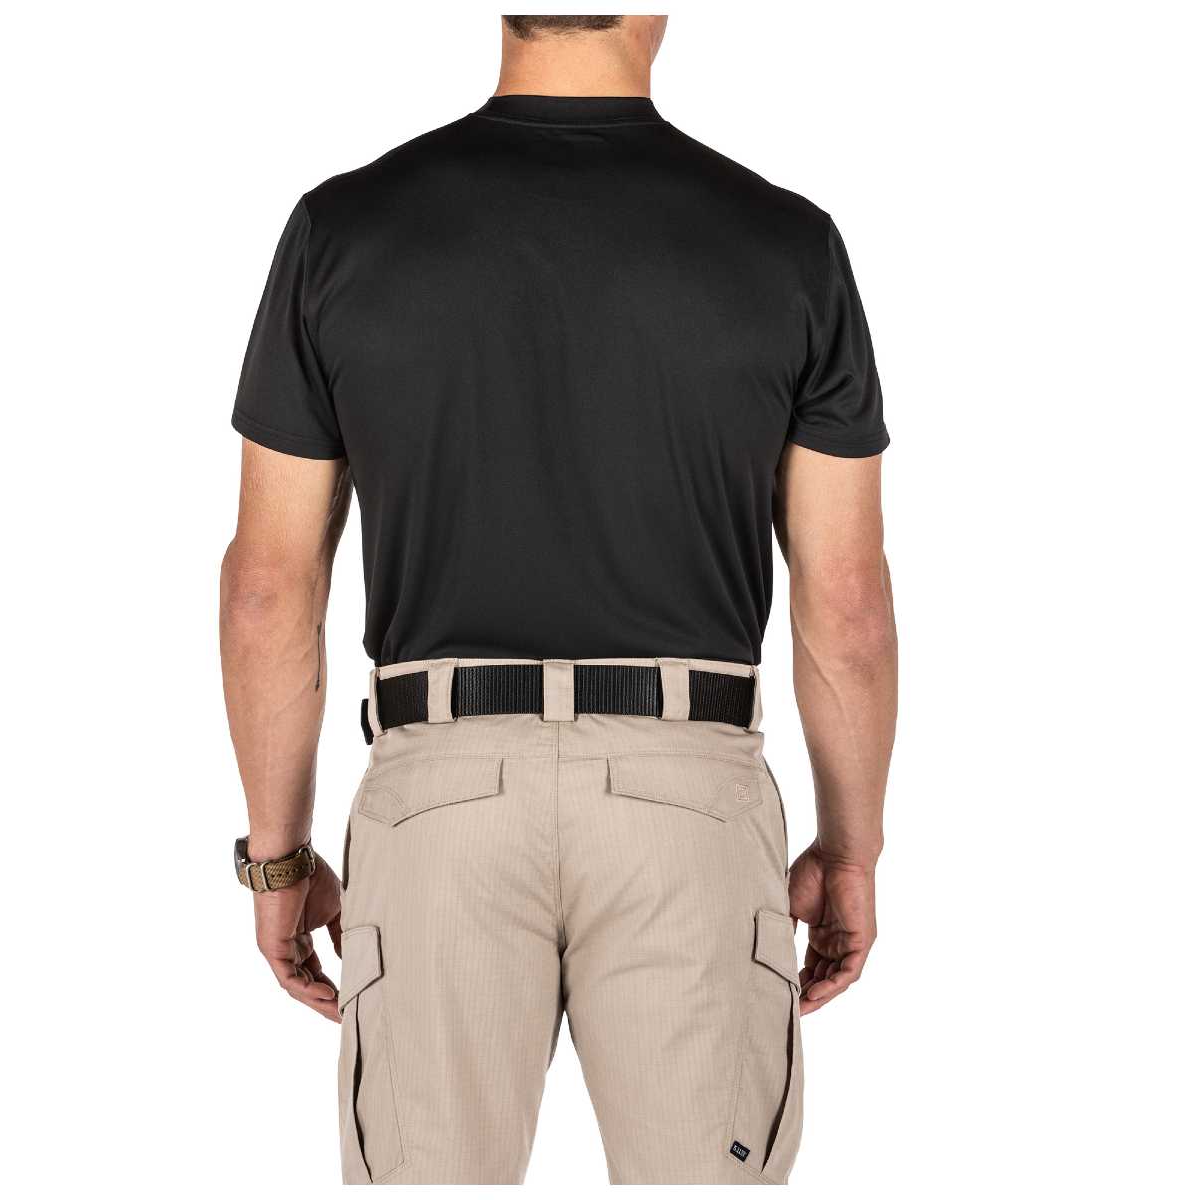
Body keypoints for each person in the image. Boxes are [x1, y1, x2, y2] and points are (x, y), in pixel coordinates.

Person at [221, 13, 897, 1185]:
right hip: (688, 806)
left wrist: (279, 863)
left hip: (439, 807)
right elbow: (846, 608)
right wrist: (851, 852)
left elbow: (267, 592)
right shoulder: (787, 245)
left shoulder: (345, 229)